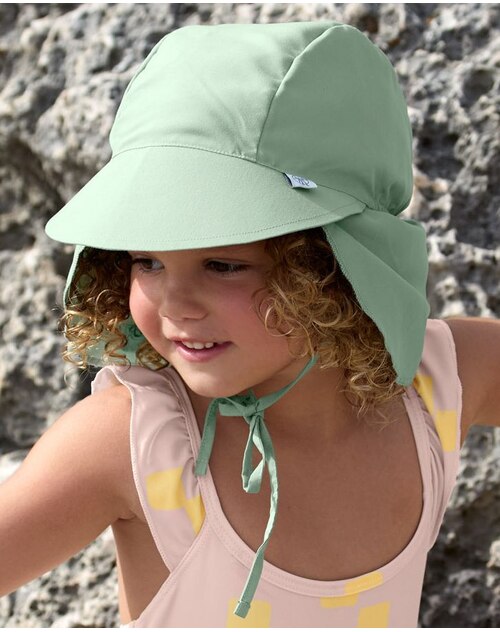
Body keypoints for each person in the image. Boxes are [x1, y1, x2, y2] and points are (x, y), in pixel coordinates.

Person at [0, 19, 489, 628]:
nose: (176, 303)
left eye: (223, 264)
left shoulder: (439, 383)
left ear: (335, 263)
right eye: (146, 260)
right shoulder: (134, 442)